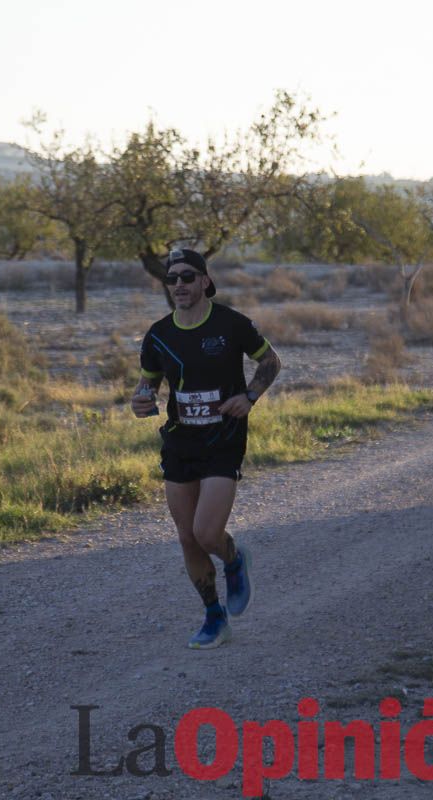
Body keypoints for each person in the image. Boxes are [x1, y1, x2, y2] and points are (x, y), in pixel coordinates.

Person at [132, 248, 282, 649]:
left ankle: (233, 560)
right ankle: (214, 617)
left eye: (187, 276)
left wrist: (249, 396)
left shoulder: (232, 324)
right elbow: (146, 385)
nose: (178, 284)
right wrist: (140, 401)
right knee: (187, 538)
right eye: (172, 278)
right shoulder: (159, 334)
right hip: (181, 440)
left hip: (224, 437)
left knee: (206, 532)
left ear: (204, 281)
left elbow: (271, 362)